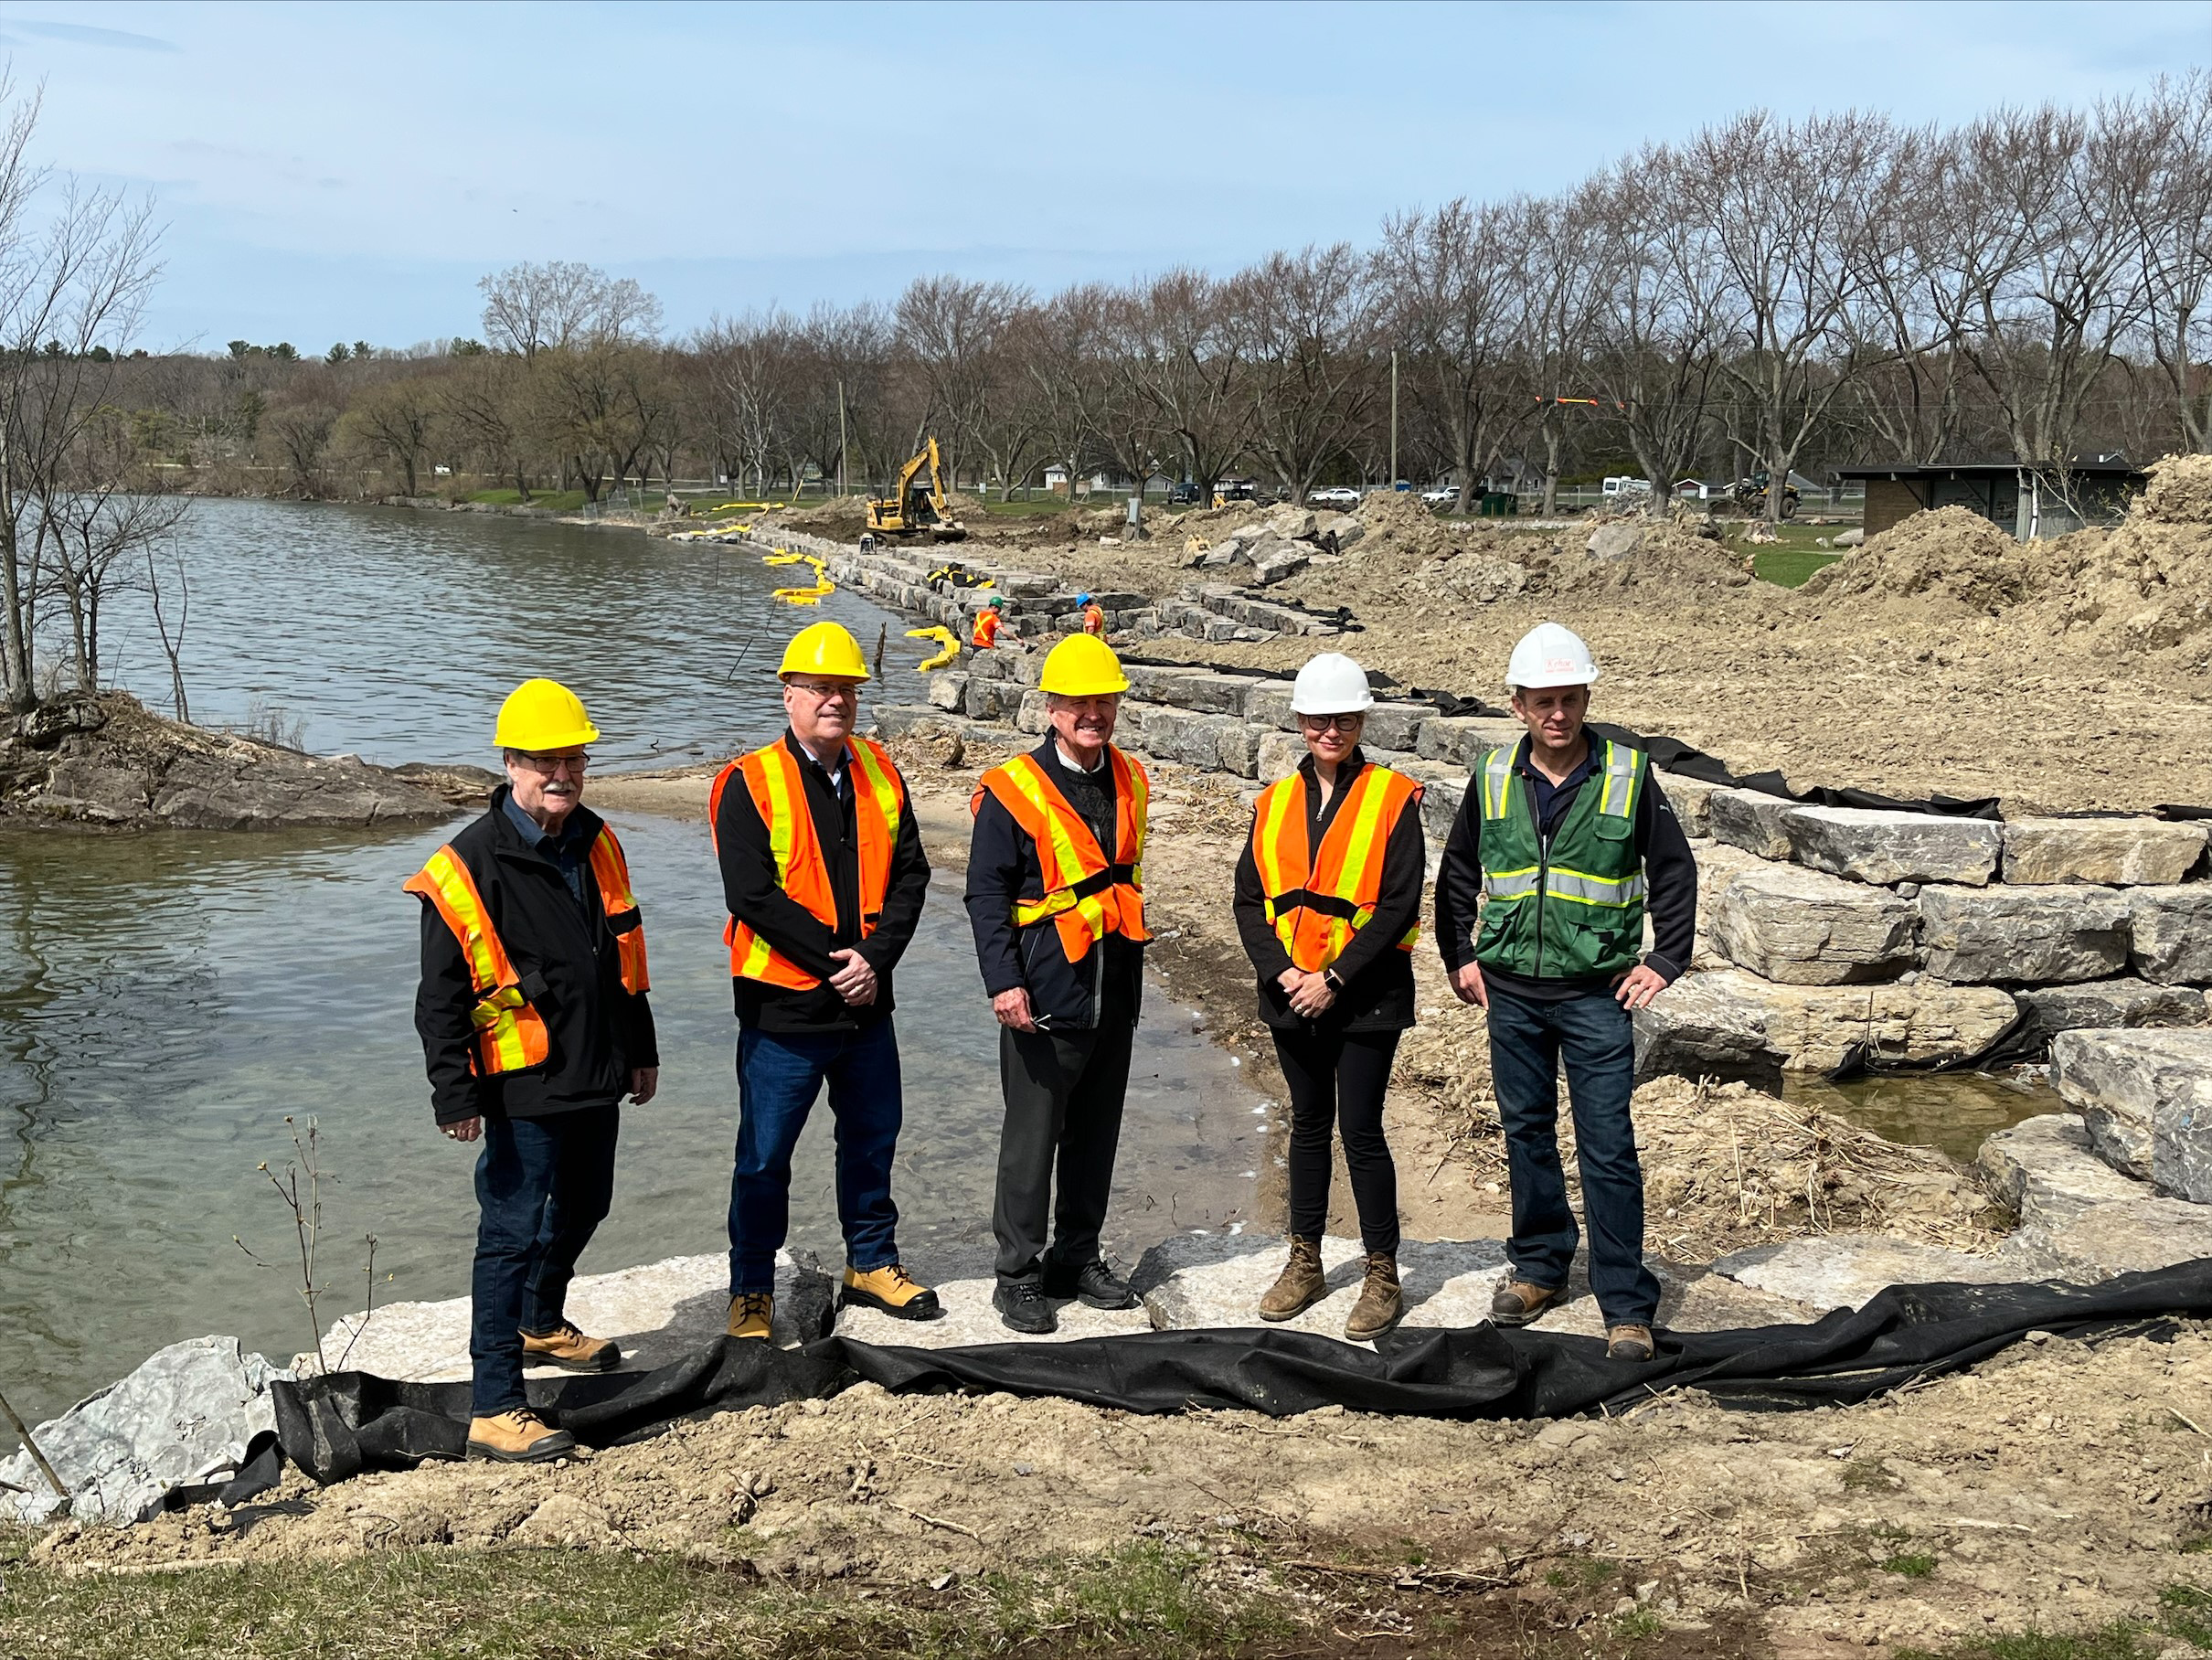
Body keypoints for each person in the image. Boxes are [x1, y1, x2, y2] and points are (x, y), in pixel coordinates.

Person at [406, 678, 658, 1463]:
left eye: (574, 759)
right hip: (519, 1082)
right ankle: (495, 1405)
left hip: (597, 1067)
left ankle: (540, 1322)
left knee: (587, 1204)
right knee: (509, 1235)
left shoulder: (597, 840)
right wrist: (454, 1094)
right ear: (511, 765)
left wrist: (641, 1049)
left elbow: (625, 954)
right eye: (546, 761)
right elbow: (438, 999)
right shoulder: (464, 867)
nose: (563, 774)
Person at [1434, 622, 1696, 1364]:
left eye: (1570, 699)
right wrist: (1460, 955)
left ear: (1586, 700)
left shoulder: (1627, 774)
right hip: (1511, 994)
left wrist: (1666, 959)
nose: (1558, 714)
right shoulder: (1492, 775)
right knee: (1526, 1132)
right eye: (1543, 701)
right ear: (1518, 705)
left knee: (1607, 1145)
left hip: (1596, 995)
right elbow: (1458, 870)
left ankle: (1625, 1303)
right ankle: (1540, 1267)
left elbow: (1673, 870)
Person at [712, 621, 939, 1339]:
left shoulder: (881, 771)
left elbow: (911, 874)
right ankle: (752, 1289)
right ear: (789, 696)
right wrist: (838, 962)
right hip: (784, 1010)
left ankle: (871, 1262)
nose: (835, 700)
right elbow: (752, 895)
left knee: (873, 1138)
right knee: (763, 1159)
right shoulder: (747, 782)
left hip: (868, 1002)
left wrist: (876, 958)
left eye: (846, 688)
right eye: (819, 688)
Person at [1233, 652, 1425, 1340]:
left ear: (1361, 722)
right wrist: (1283, 974)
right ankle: (1305, 1261)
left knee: (1362, 1129)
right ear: (1300, 722)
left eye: (1344, 719)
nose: (1331, 731)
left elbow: (1399, 904)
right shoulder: (1274, 803)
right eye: (1319, 720)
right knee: (1308, 1124)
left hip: (1365, 994)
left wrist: (1334, 979)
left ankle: (1382, 1274)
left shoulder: (1393, 797)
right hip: (1293, 992)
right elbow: (1249, 900)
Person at [965, 633, 1149, 1334]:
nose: (1092, 713)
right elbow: (986, 896)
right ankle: (1017, 1273)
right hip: (1043, 994)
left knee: (1095, 1136)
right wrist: (1004, 983)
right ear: (1051, 708)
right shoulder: (1012, 790)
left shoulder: (1129, 778)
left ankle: (1077, 1256)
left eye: (1104, 701)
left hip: (1114, 990)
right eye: (1077, 703)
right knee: (1031, 1141)